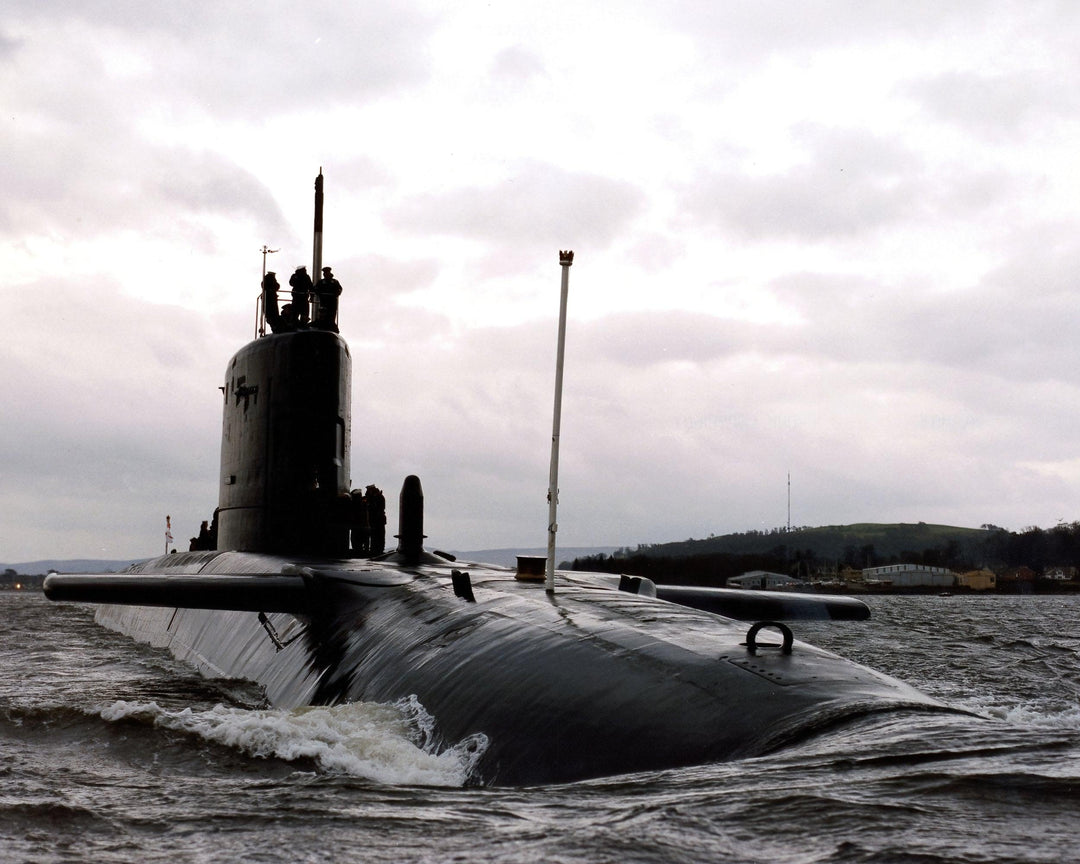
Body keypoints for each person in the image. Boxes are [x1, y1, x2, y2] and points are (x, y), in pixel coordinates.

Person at [313, 266, 342, 332]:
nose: (325, 274)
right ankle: (323, 326)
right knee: (324, 313)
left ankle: (331, 326)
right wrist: (319, 293)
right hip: (324, 301)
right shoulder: (321, 282)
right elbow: (316, 289)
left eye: (327, 273)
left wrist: (337, 293)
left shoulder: (334, 282)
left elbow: (339, 289)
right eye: (325, 273)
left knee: (332, 314)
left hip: (332, 301)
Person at [366, 484, 386, 555]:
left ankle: (378, 550)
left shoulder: (378, 497)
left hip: (378, 520)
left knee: (378, 536)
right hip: (375, 520)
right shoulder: (375, 497)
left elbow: (377, 509)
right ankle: (376, 549)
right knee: (375, 536)